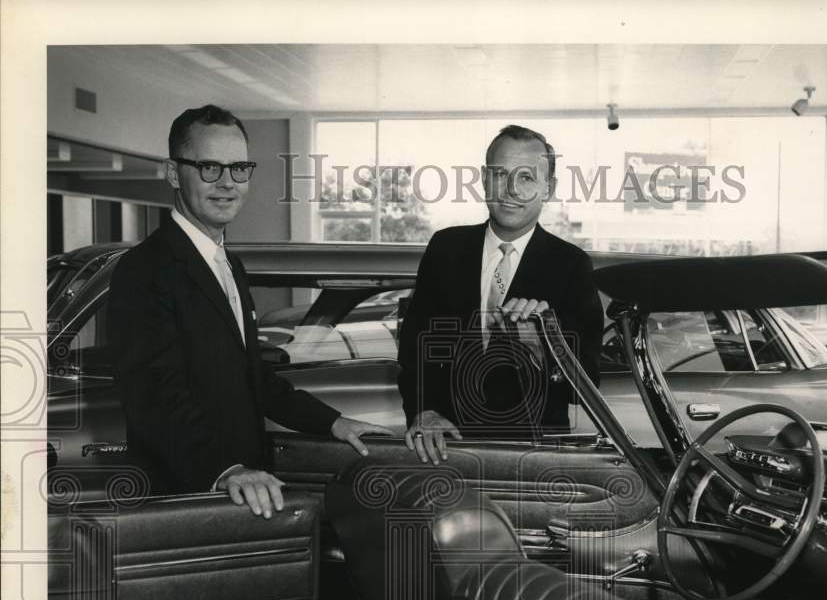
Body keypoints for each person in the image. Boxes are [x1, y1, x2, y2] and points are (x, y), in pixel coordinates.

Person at [108, 105, 389, 517]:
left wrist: (333, 423)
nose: (227, 183)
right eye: (209, 168)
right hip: (185, 500)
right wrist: (226, 470)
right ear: (173, 173)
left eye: (239, 168)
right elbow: (153, 396)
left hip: (244, 493)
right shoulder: (144, 269)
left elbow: (251, 375)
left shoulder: (229, 265)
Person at [397, 125, 603, 463]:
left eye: (526, 178)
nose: (510, 190)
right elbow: (414, 349)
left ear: (548, 188)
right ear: (483, 179)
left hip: (533, 456)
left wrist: (541, 343)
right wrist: (424, 410)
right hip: (446, 447)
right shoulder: (445, 249)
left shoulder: (571, 265)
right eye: (500, 174)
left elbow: (586, 385)